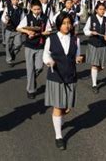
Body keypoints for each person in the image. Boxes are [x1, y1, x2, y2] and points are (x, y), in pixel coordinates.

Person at [43, 13, 83, 150]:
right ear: (59, 24)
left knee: (67, 107)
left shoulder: (76, 40)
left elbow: (77, 55)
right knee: (58, 107)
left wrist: (79, 59)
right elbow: (45, 55)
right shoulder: (51, 39)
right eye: (64, 23)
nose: (67, 25)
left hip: (70, 76)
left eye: (69, 23)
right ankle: (59, 136)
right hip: (56, 77)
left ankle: (57, 118)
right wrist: (49, 62)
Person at [17, 0, 51, 99]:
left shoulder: (45, 18)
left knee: (39, 67)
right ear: (31, 9)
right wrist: (28, 32)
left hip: (40, 45)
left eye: (38, 9)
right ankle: (30, 90)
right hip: (29, 45)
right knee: (30, 69)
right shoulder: (28, 17)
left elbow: (48, 31)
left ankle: (31, 80)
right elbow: (18, 28)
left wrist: (39, 33)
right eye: (35, 9)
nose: (37, 11)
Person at [83, 3, 106, 93]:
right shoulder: (91, 18)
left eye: (103, 9)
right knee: (95, 65)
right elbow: (85, 30)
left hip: (103, 45)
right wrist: (91, 32)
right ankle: (94, 84)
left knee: (102, 66)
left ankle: (93, 74)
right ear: (96, 10)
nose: (102, 11)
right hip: (93, 44)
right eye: (100, 9)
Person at [3, 0, 24, 66]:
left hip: (17, 30)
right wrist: (5, 20)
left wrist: (22, 28)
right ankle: (9, 60)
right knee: (7, 45)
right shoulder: (7, 8)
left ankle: (13, 53)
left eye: (17, 0)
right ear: (11, 0)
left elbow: (23, 19)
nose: (15, 1)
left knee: (19, 44)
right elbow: (4, 17)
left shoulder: (21, 9)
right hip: (9, 29)